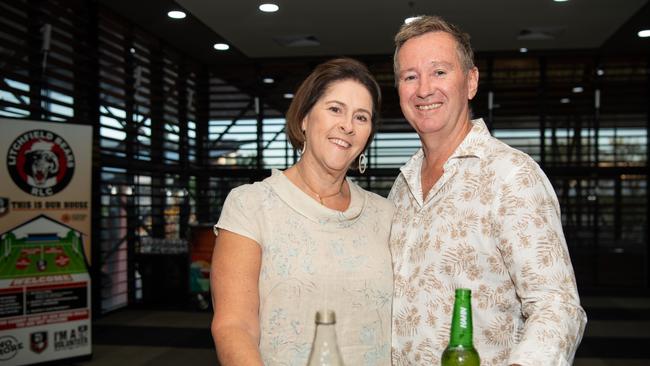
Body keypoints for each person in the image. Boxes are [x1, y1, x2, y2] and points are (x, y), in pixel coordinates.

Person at [388, 15, 587, 365]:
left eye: (439, 72)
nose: (423, 89)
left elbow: (557, 307)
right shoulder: (401, 188)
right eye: (410, 76)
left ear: (470, 81)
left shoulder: (510, 175)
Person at [210, 58, 394, 365]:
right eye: (335, 109)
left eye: (361, 117)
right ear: (305, 118)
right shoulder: (251, 206)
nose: (347, 126)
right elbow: (234, 326)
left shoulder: (384, 215)